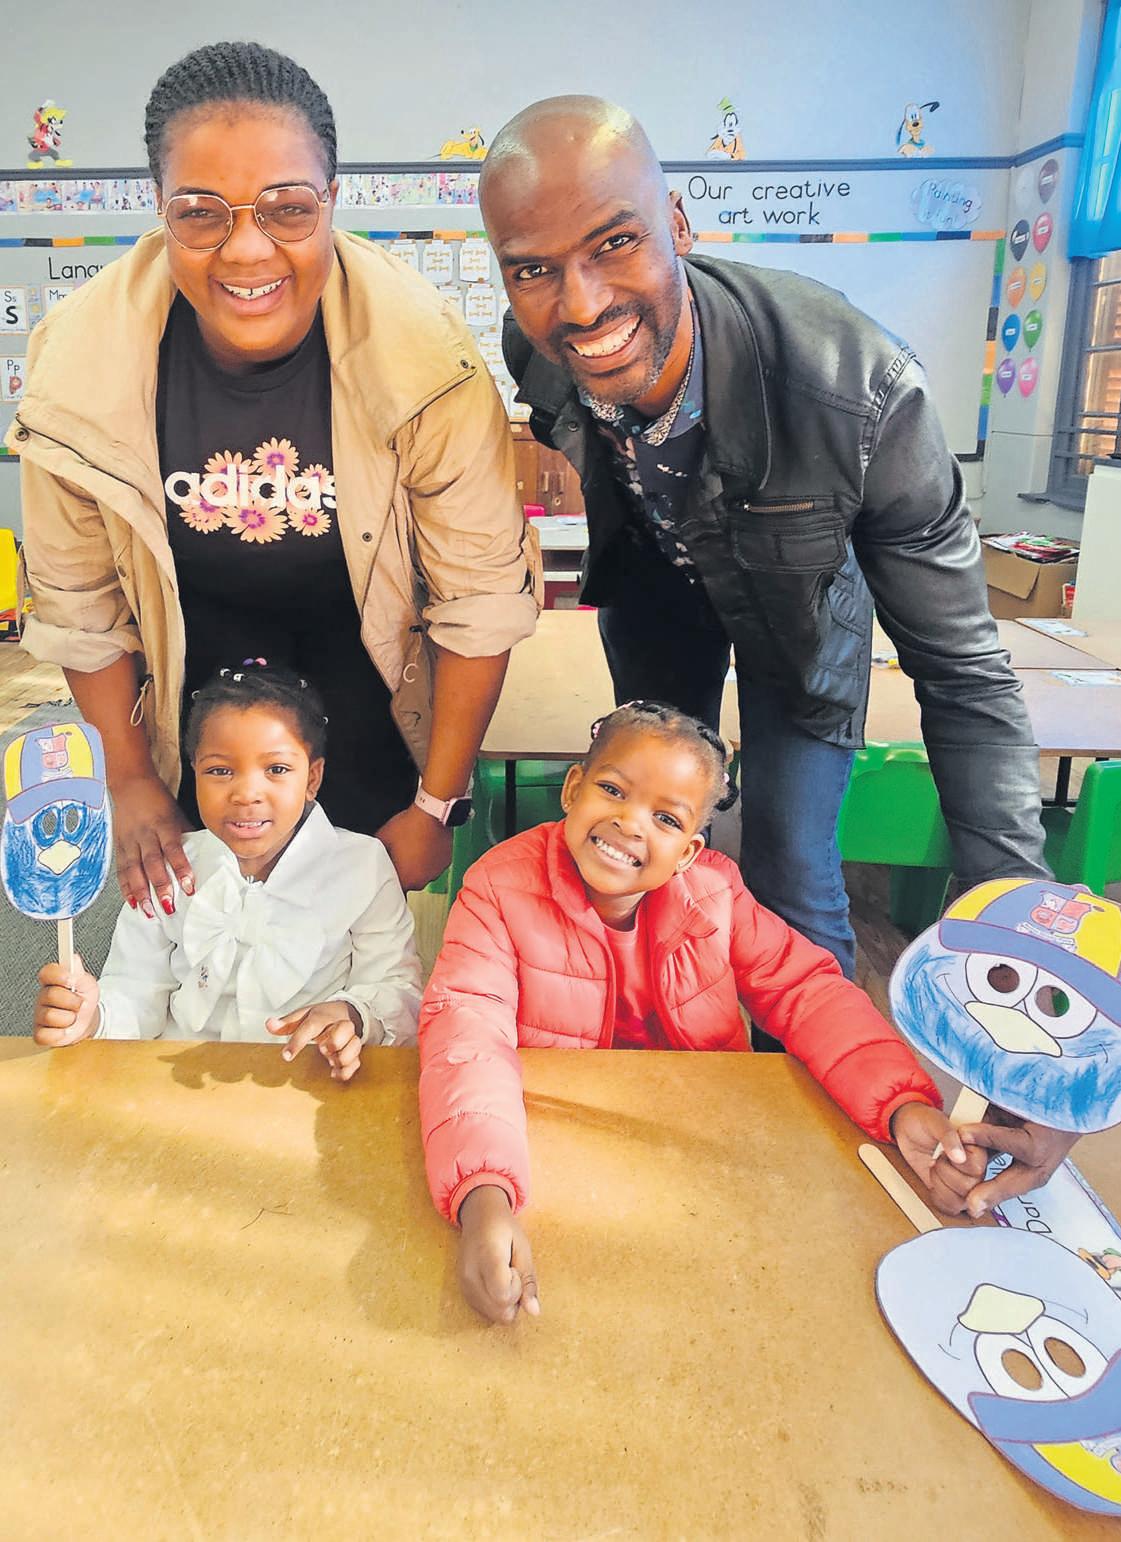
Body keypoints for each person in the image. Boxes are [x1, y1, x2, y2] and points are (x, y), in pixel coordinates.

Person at [477, 95, 1072, 1208]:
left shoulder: (861, 392)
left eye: (615, 243)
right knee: (646, 849)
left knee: (791, 876)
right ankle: (665, 1075)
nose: (580, 303)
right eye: (533, 268)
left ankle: (821, 1169)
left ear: (678, 225)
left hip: (802, 628)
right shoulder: (537, 346)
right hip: (658, 606)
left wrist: (1029, 990)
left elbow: (963, 676)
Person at [9, 42, 539, 912]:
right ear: (159, 208)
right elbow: (82, 608)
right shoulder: (78, 370)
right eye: (200, 214)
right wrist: (131, 780)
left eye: (288, 209)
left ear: (332, 199)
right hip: (192, 714)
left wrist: (435, 801)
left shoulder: (427, 361)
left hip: (372, 700)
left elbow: (477, 599)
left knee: (360, 963)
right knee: (204, 951)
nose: (246, 250)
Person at [418, 702, 982, 1323]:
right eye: (612, 790)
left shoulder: (714, 894)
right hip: (557, 1147)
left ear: (688, 851)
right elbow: (467, 1034)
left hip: (706, 1151)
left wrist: (902, 1105)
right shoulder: (499, 889)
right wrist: (484, 1192)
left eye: (665, 818)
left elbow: (808, 992)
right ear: (572, 789)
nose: (630, 823)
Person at [32, 660, 421, 1071]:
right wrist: (92, 1016)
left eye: (277, 769)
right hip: (172, 1082)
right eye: (220, 770)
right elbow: (135, 990)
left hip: (303, 1084)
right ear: (194, 773)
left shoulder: (363, 866)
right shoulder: (168, 868)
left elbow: (399, 989)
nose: (247, 793)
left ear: (312, 778)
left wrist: (353, 1015)